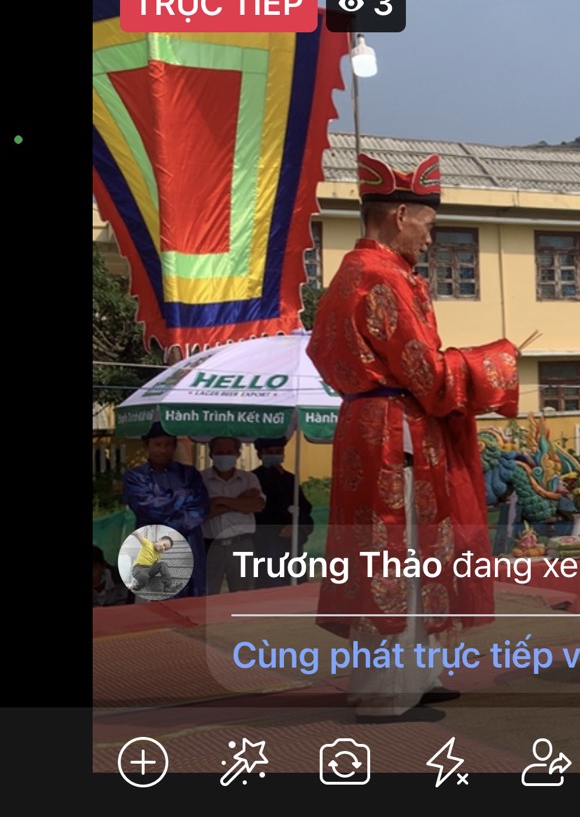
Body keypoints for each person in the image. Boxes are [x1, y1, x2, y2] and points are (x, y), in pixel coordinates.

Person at [309, 152, 521, 723]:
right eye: (428, 224)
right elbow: (428, 375)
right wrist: (497, 362)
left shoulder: (358, 273)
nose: (431, 237)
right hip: (392, 439)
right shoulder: (381, 279)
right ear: (400, 213)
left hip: (372, 426)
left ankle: (415, 676)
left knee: (407, 554)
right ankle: (385, 694)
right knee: (398, 555)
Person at [121, 426, 209, 598]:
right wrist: (183, 496)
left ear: (175, 446)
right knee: (154, 602)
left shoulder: (189, 474)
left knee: (192, 600)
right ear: (146, 446)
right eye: (157, 444)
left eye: (168, 444)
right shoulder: (135, 477)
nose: (163, 450)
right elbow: (149, 509)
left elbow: (201, 507)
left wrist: (170, 513)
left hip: (189, 542)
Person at [202, 436, 265, 594]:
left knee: (243, 597)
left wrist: (219, 501)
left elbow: (257, 505)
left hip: (242, 544)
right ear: (211, 454)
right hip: (210, 546)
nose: (224, 455)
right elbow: (201, 513)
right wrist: (239, 502)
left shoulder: (249, 479)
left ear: (237, 454)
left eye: (229, 452)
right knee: (206, 595)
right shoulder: (200, 479)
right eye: (220, 452)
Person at [251, 438, 316, 587]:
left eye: (278, 452)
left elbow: (305, 510)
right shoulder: (252, 479)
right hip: (264, 545)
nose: (274, 456)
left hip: (291, 546)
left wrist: (296, 527)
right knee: (267, 589)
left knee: (294, 592)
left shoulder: (290, 479)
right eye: (269, 452)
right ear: (260, 454)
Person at [126, 529, 176, 594]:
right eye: (164, 544)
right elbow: (137, 534)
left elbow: (155, 565)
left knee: (163, 564)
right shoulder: (147, 544)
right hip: (138, 568)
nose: (163, 548)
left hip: (149, 570)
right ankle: (137, 586)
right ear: (159, 539)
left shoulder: (159, 555)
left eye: (165, 549)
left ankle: (167, 586)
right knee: (144, 576)